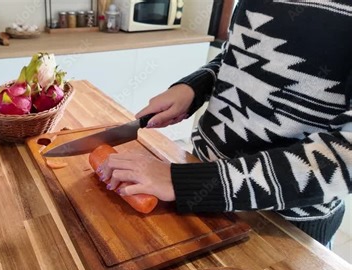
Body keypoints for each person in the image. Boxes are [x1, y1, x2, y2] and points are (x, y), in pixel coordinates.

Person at [98, 0, 352, 247]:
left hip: (283, 224)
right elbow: (240, 55)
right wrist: (194, 87)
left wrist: (184, 182)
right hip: (200, 177)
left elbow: (346, 159)